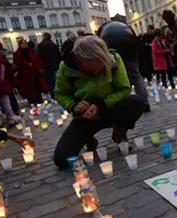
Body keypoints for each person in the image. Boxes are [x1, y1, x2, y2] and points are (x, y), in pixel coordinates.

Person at [53, 36, 146, 169]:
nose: (96, 72)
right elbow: (60, 93)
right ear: (80, 59)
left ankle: (119, 133)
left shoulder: (114, 59)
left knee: (136, 102)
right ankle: (88, 138)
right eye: (92, 68)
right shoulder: (65, 67)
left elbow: (124, 90)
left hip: (110, 110)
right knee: (62, 160)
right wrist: (74, 106)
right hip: (84, 118)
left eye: (101, 67)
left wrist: (100, 105)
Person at [97, 21, 150, 112]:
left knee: (114, 74)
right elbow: (135, 40)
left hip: (109, 43)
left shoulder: (102, 31)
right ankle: (144, 103)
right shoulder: (123, 26)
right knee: (135, 75)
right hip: (128, 40)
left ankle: (120, 105)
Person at [13, 39, 49, 104]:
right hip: (25, 74)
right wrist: (26, 64)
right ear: (20, 44)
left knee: (37, 86)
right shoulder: (17, 53)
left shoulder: (31, 51)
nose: (24, 44)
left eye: (25, 43)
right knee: (29, 89)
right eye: (22, 43)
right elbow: (16, 62)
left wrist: (40, 67)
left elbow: (36, 59)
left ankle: (39, 100)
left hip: (34, 72)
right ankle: (32, 101)